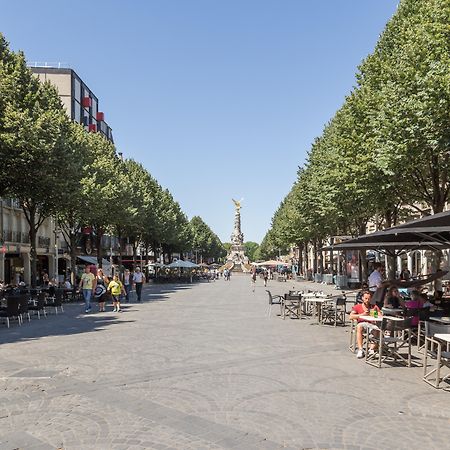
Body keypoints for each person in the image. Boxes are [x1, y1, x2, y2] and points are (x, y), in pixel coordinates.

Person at [349, 290, 381, 359]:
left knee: (378, 329)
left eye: (369, 299)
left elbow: (380, 316)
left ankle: (371, 349)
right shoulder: (357, 306)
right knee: (359, 326)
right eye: (366, 298)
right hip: (362, 323)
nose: (367, 300)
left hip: (371, 324)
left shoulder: (374, 307)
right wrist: (362, 315)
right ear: (362, 298)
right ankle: (360, 350)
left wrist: (373, 313)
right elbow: (351, 316)